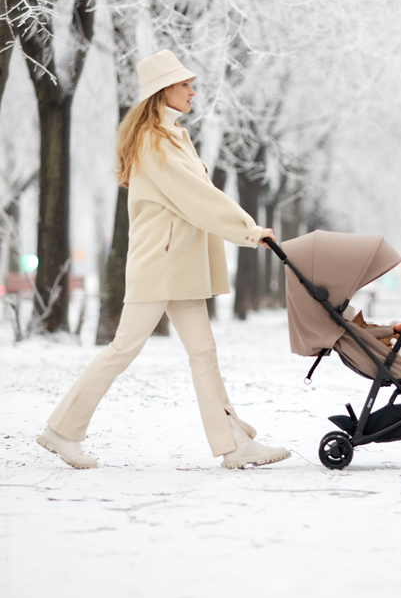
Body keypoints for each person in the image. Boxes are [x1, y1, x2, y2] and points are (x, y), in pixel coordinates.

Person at [37, 49, 290, 471]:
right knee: (122, 350)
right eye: (185, 84)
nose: (192, 91)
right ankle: (62, 430)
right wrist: (248, 229)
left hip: (177, 266)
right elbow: (197, 198)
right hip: (162, 265)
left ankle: (233, 444)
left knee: (203, 352)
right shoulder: (156, 142)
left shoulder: (173, 136)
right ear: (163, 91)